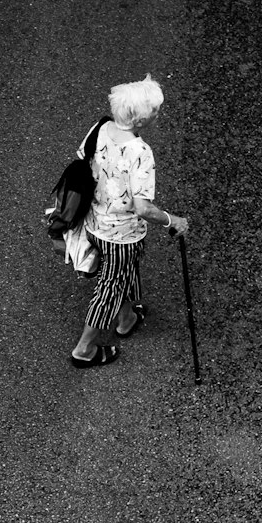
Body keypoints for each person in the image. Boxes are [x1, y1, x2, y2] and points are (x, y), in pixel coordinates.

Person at [68, 76, 189, 368]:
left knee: (121, 271)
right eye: (155, 110)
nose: (157, 114)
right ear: (140, 119)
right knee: (109, 288)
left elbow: (83, 158)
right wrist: (172, 220)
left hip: (94, 221)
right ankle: (84, 349)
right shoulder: (140, 153)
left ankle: (126, 319)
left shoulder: (101, 127)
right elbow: (143, 208)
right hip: (122, 235)